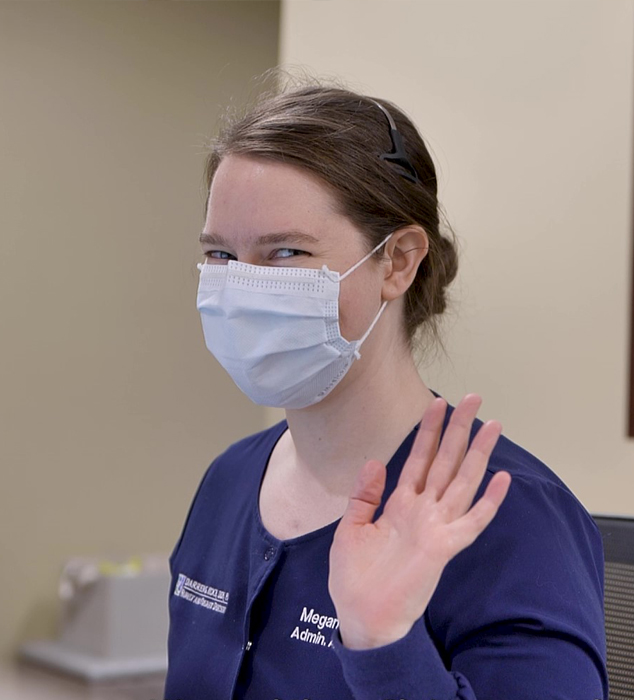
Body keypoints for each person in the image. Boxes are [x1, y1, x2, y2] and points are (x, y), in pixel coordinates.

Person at [164, 79, 608, 700]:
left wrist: (385, 644)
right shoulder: (229, 480)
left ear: (397, 261)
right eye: (220, 255)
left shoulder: (508, 516)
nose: (241, 288)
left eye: (285, 251)